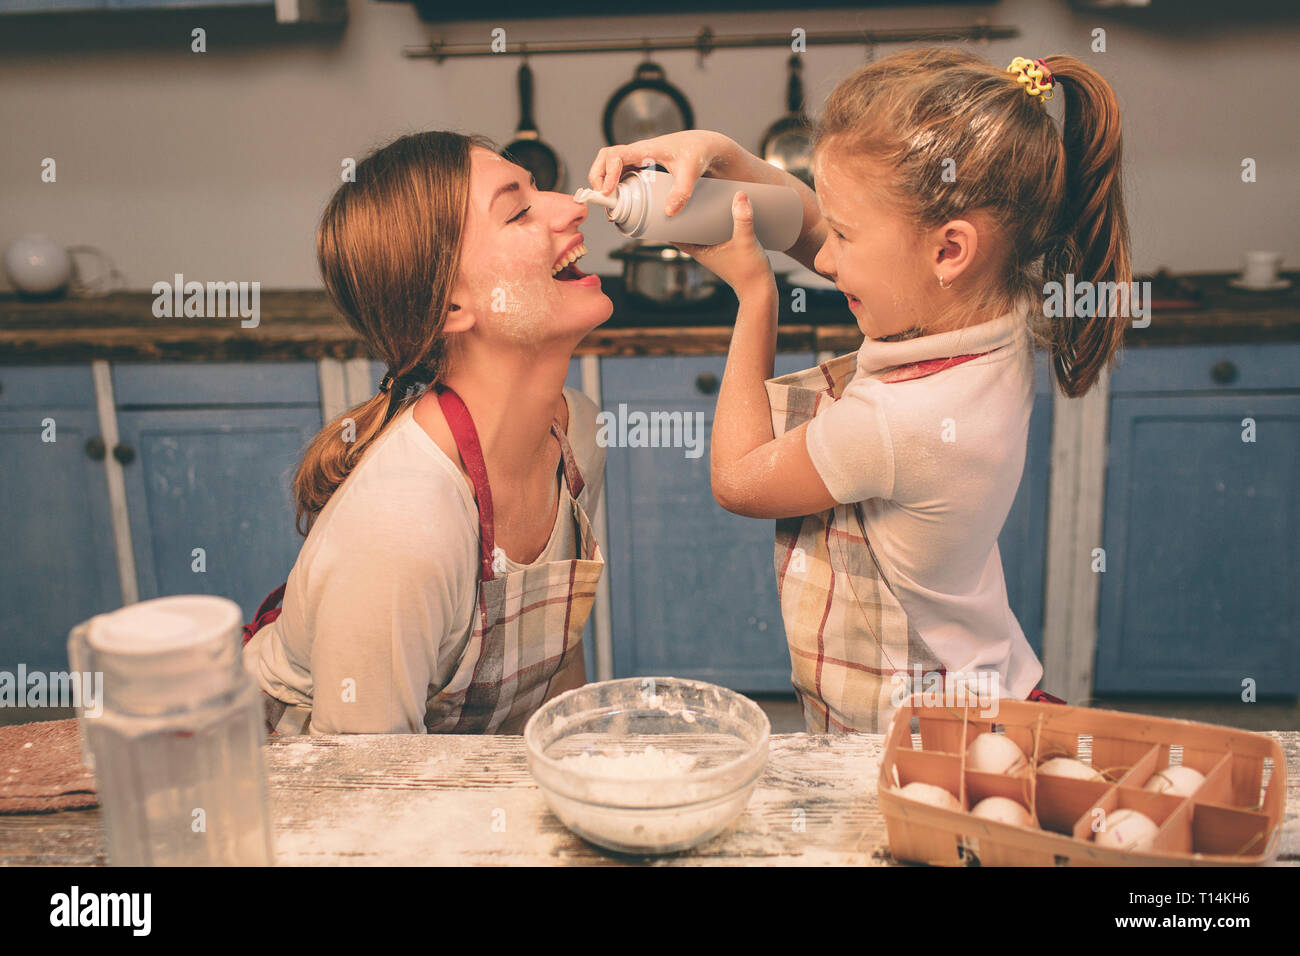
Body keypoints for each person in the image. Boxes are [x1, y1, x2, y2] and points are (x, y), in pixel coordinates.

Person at [587, 50, 1129, 731]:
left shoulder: (903, 420)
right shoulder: (1000, 303)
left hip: (928, 733)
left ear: (949, 251)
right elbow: (812, 229)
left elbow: (739, 481)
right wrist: (728, 158)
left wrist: (756, 296)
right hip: (985, 685)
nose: (827, 259)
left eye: (846, 235)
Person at [243, 131, 611, 734]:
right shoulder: (404, 522)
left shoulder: (576, 436)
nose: (573, 207)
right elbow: (364, 789)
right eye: (518, 210)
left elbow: (556, 665)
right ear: (449, 309)